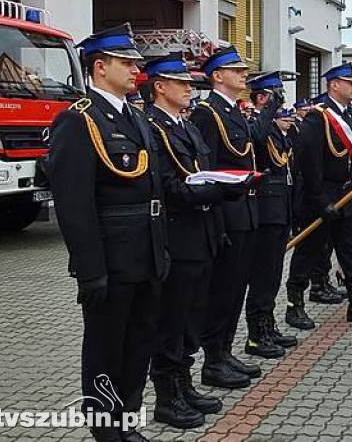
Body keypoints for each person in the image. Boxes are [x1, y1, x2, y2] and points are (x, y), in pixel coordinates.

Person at [48, 24, 166, 442]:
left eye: (136, 62)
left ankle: (127, 421)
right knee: (105, 350)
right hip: (112, 260)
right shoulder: (78, 120)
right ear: (100, 67)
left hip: (147, 254)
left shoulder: (134, 116)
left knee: (138, 344)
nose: (136, 70)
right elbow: (73, 204)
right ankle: (106, 431)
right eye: (127, 62)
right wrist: (90, 269)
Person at [143, 54, 229, 429]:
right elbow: (168, 186)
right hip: (178, 236)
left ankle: (185, 384)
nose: (190, 89)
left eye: (191, 83)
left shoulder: (188, 127)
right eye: (182, 83)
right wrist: (215, 191)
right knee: (172, 320)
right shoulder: (153, 127)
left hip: (203, 233)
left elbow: (202, 170)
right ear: (160, 87)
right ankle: (167, 397)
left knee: (192, 317)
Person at [284, 62, 352, 328]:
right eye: (350, 82)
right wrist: (320, 201)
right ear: (334, 85)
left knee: (351, 250)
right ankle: (293, 306)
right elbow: (308, 164)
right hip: (321, 195)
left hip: (348, 192)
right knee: (309, 251)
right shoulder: (317, 116)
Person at [189, 46, 266, 388]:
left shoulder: (234, 111)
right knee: (221, 290)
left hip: (246, 209)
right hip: (226, 212)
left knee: (237, 288)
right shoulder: (207, 113)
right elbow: (206, 169)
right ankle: (213, 361)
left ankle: (225, 351)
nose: (243, 75)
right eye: (236, 71)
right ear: (217, 76)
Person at [243, 72, 298, 359]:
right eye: (276, 95)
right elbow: (258, 139)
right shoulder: (258, 125)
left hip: (280, 206)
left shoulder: (276, 129)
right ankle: (256, 334)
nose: (281, 101)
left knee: (273, 274)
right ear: (262, 98)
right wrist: (266, 110)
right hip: (265, 208)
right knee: (263, 275)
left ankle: (269, 325)